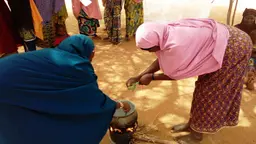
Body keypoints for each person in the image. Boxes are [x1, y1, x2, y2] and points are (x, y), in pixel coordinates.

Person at [126, 19, 252, 143]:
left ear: (156, 42)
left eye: (149, 49)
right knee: (201, 89)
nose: (148, 52)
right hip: (221, 41)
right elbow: (163, 59)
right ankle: (192, 124)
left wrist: (151, 77)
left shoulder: (177, 45)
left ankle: (197, 134)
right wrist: (138, 77)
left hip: (232, 49)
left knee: (209, 93)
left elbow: (177, 73)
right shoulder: (164, 34)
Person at [0, 35, 130, 144]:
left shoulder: (49, 54)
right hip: (6, 86)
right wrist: (115, 105)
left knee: (13, 118)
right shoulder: (77, 66)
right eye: (92, 53)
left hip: (8, 84)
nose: (92, 56)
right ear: (90, 52)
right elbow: (90, 98)